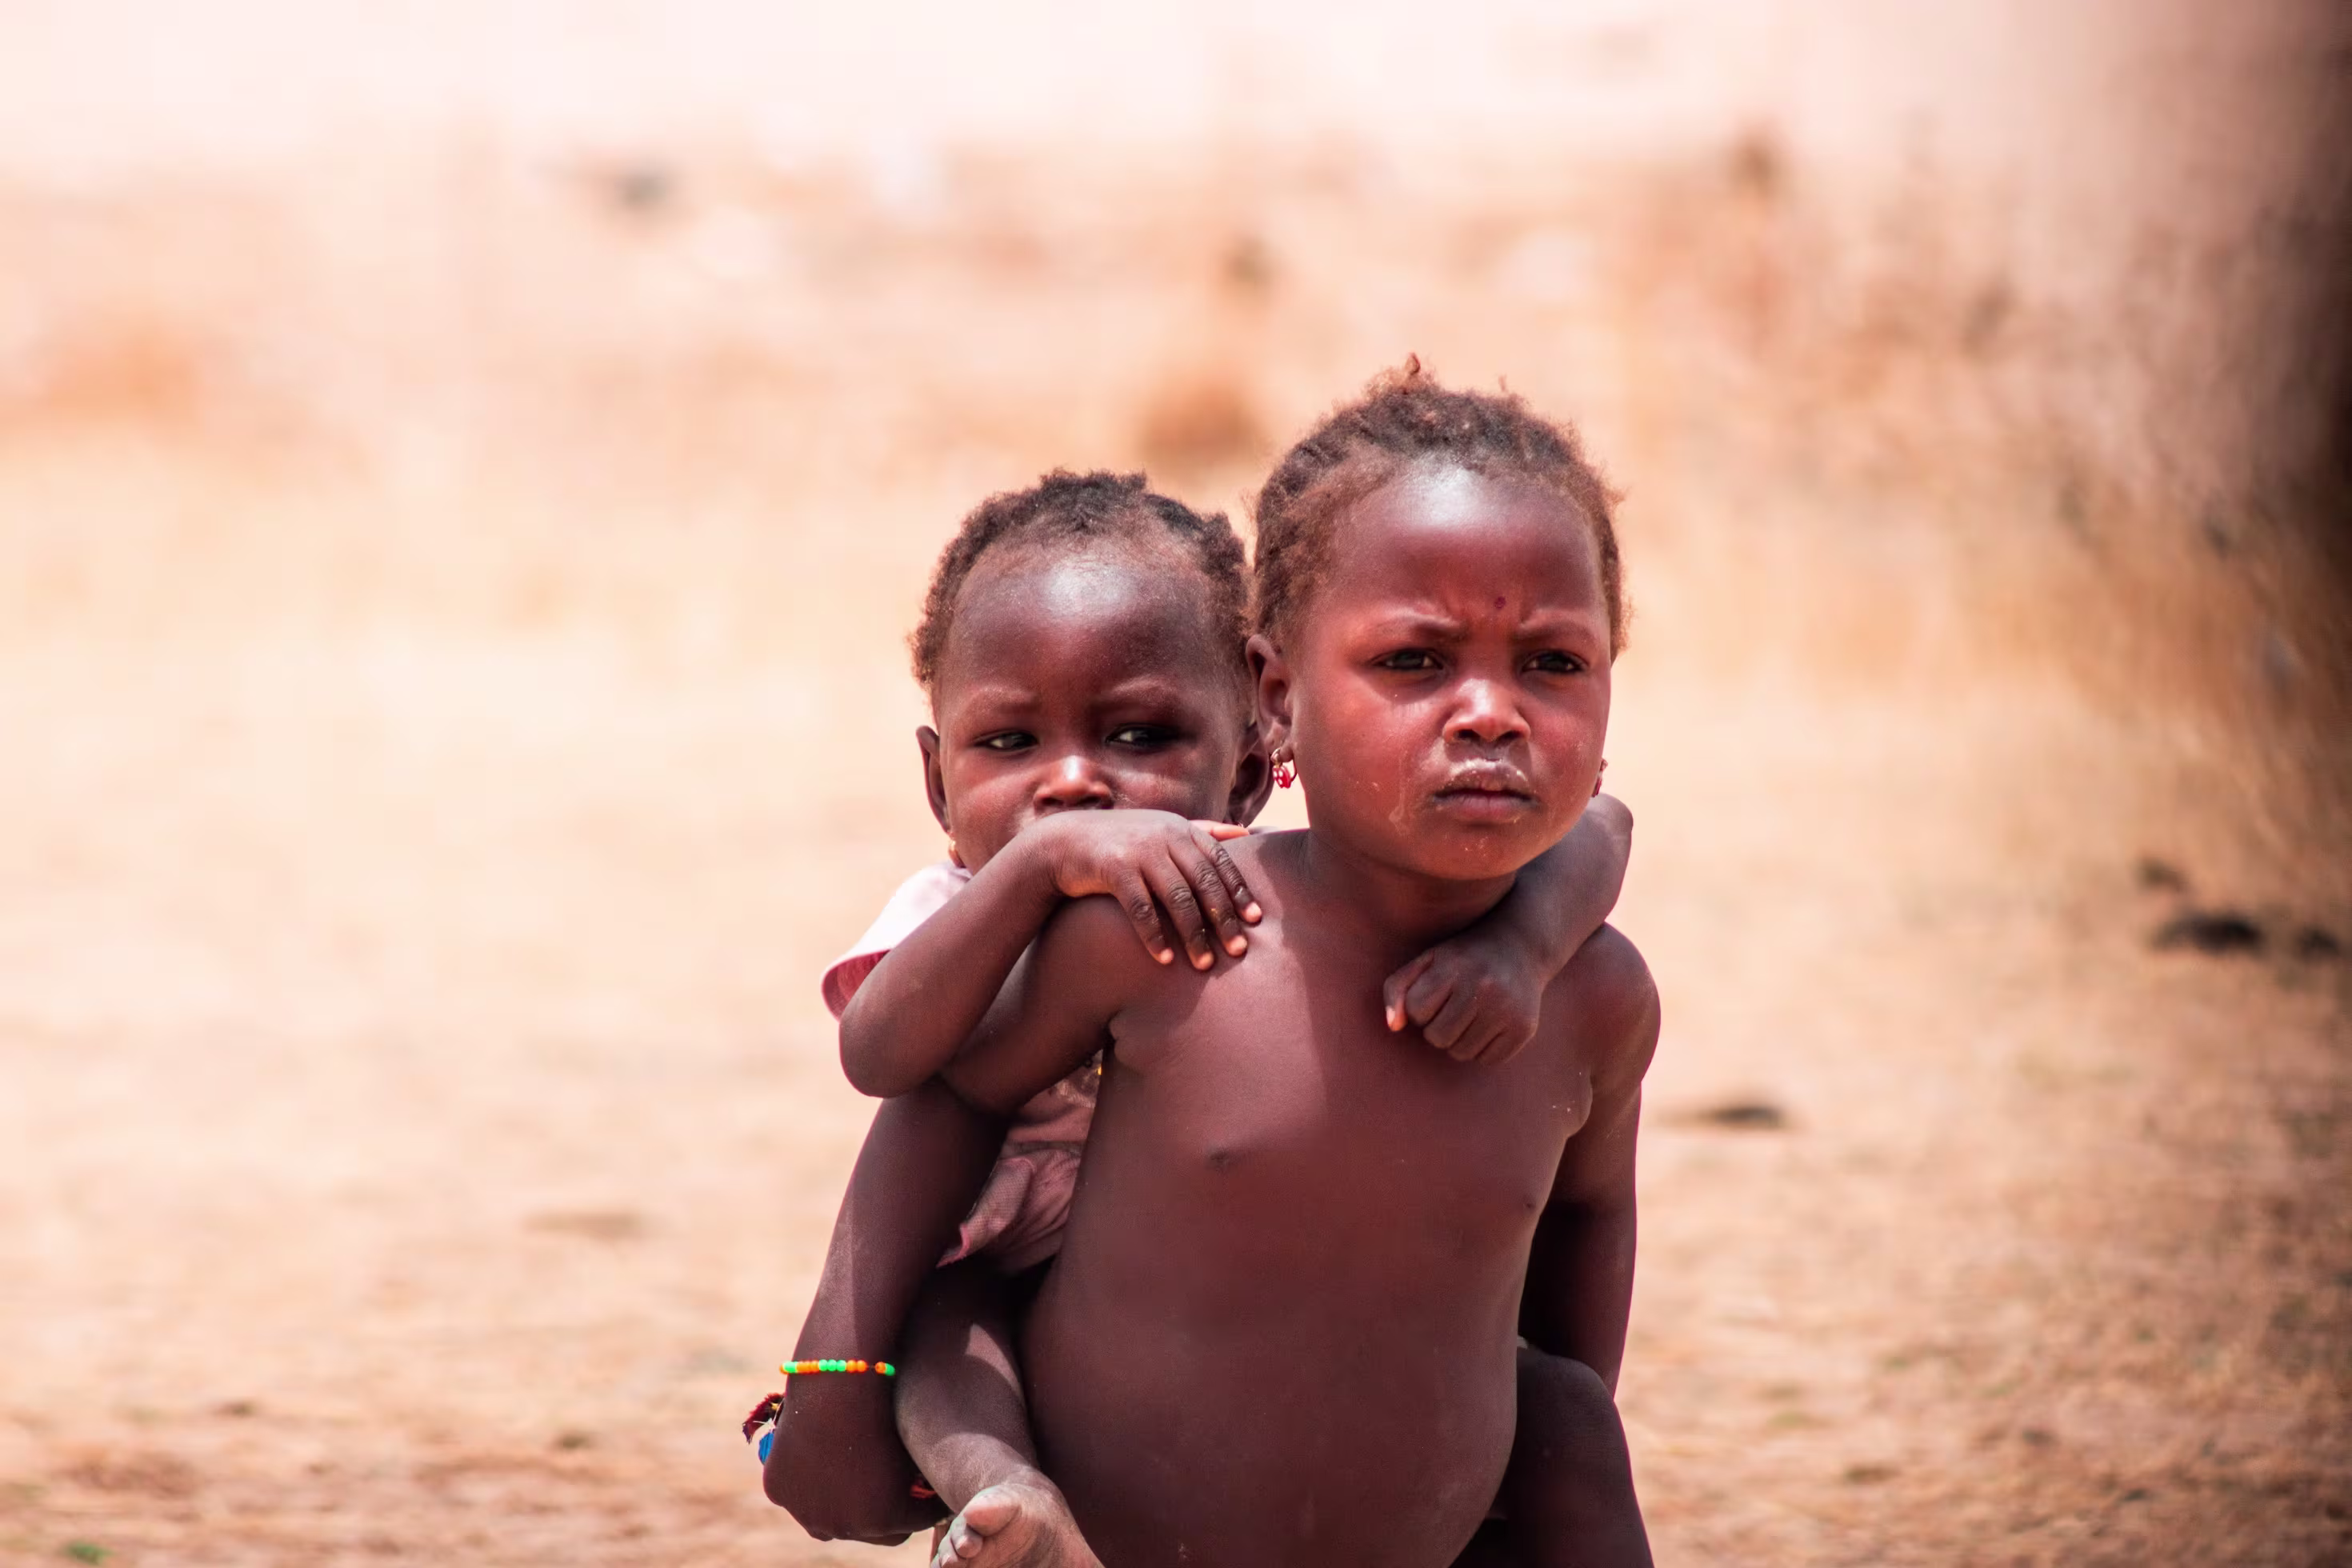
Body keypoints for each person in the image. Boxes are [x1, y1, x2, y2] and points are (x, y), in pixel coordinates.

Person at [759, 466, 1638, 1566]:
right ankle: (1005, 1495)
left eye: (1139, 737)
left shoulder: (1227, 915)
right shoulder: (960, 911)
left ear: (1255, 763)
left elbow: (1603, 825)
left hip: (1248, 1324)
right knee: (952, 1319)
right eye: (1011, 744)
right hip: (1017, 1285)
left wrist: (1526, 946)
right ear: (939, 785)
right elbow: (889, 1064)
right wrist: (1038, 867)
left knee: (1557, 1407)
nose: (1072, 785)